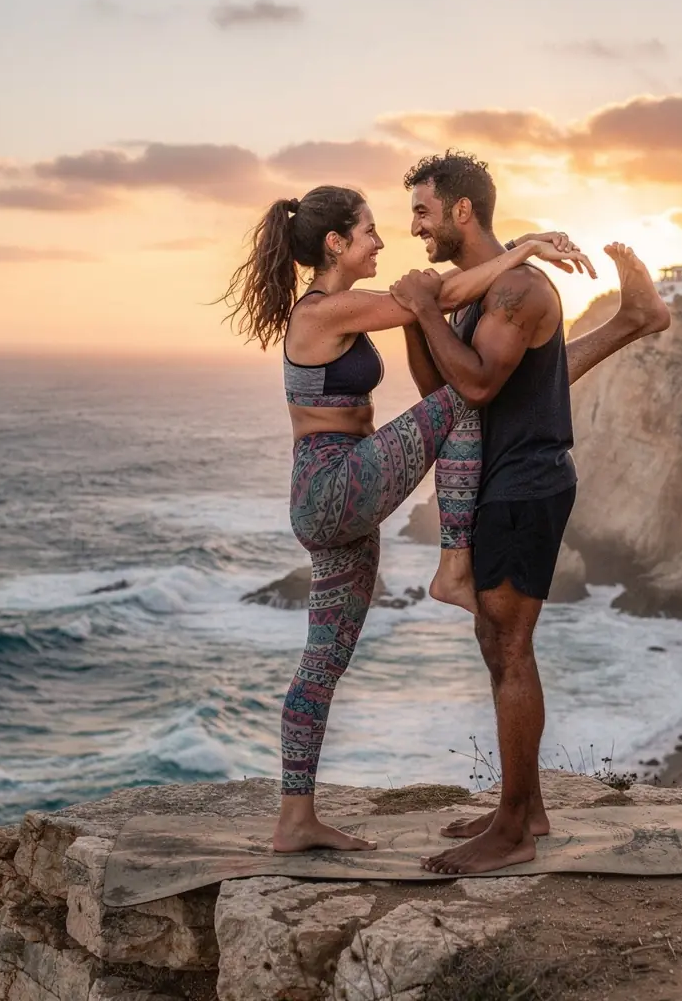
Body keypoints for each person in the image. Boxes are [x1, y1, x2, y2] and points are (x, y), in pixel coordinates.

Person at [221, 184, 592, 853]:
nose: (381, 241)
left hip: (335, 495)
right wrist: (525, 250)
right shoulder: (325, 311)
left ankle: (295, 820)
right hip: (335, 485)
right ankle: (454, 565)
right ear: (336, 243)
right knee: (465, 399)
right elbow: (437, 301)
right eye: (367, 231)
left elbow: (432, 308)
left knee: (321, 663)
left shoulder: (336, 310)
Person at [385, 151, 671, 874]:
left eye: (422, 212)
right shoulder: (481, 293)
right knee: (495, 640)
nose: (414, 227)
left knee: (510, 644)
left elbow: (476, 385)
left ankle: (514, 830)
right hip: (500, 479)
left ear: (460, 211)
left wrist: (424, 307)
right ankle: (526, 805)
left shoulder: (520, 290)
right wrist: (422, 319)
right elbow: (439, 387)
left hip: (527, 482)